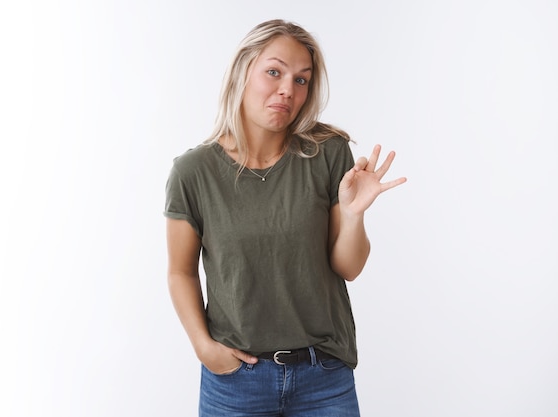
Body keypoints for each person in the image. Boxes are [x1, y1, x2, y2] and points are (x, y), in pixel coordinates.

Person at [164, 19, 406, 417]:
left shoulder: (327, 153)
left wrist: (352, 215)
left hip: (323, 376)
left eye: (301, 80)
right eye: (274, 72)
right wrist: (203, 347)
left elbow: (348, 267)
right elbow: (180, 272)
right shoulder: (193, 172)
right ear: (244, 69)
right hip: (235, 382)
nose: (287, 90)